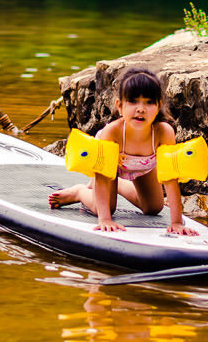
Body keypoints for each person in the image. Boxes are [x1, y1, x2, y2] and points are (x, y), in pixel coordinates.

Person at [49, 66, 198, 236]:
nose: (141, 109)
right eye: (133, 101)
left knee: (154, 208)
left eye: (149, 102)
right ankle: (80, 192)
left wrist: (177, 223)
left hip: (144, 166)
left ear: (159, 106)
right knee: (105, 208)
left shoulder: (164, 132)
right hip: (109, 169)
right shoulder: (112, 132)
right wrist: (104, 219)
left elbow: (170, 178)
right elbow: (103, 175)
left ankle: (119, 185)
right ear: (119, 106)